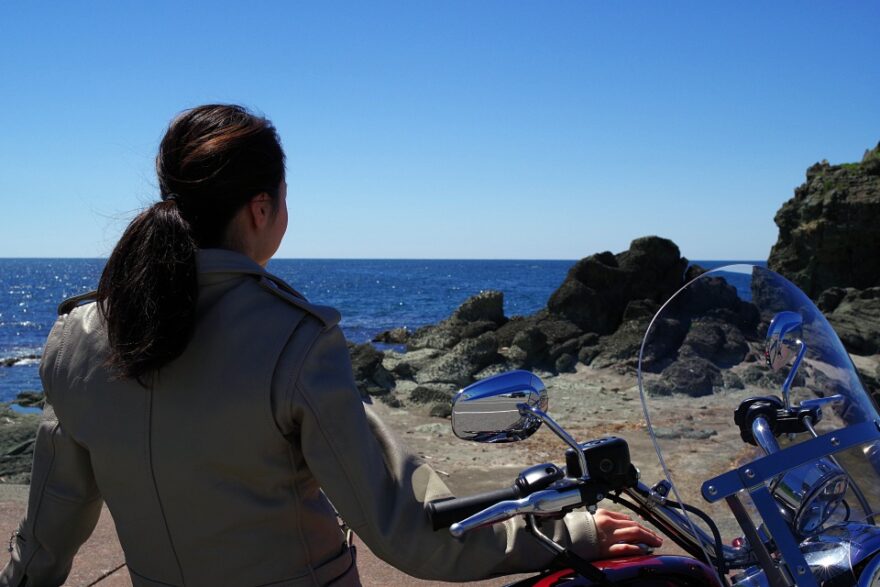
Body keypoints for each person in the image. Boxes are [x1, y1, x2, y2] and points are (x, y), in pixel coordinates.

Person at [0, 104, 661, 586]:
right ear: (262, 209)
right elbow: (406, 530)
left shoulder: (76, 334)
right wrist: (568, 533)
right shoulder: (294, 339)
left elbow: (52, 524)